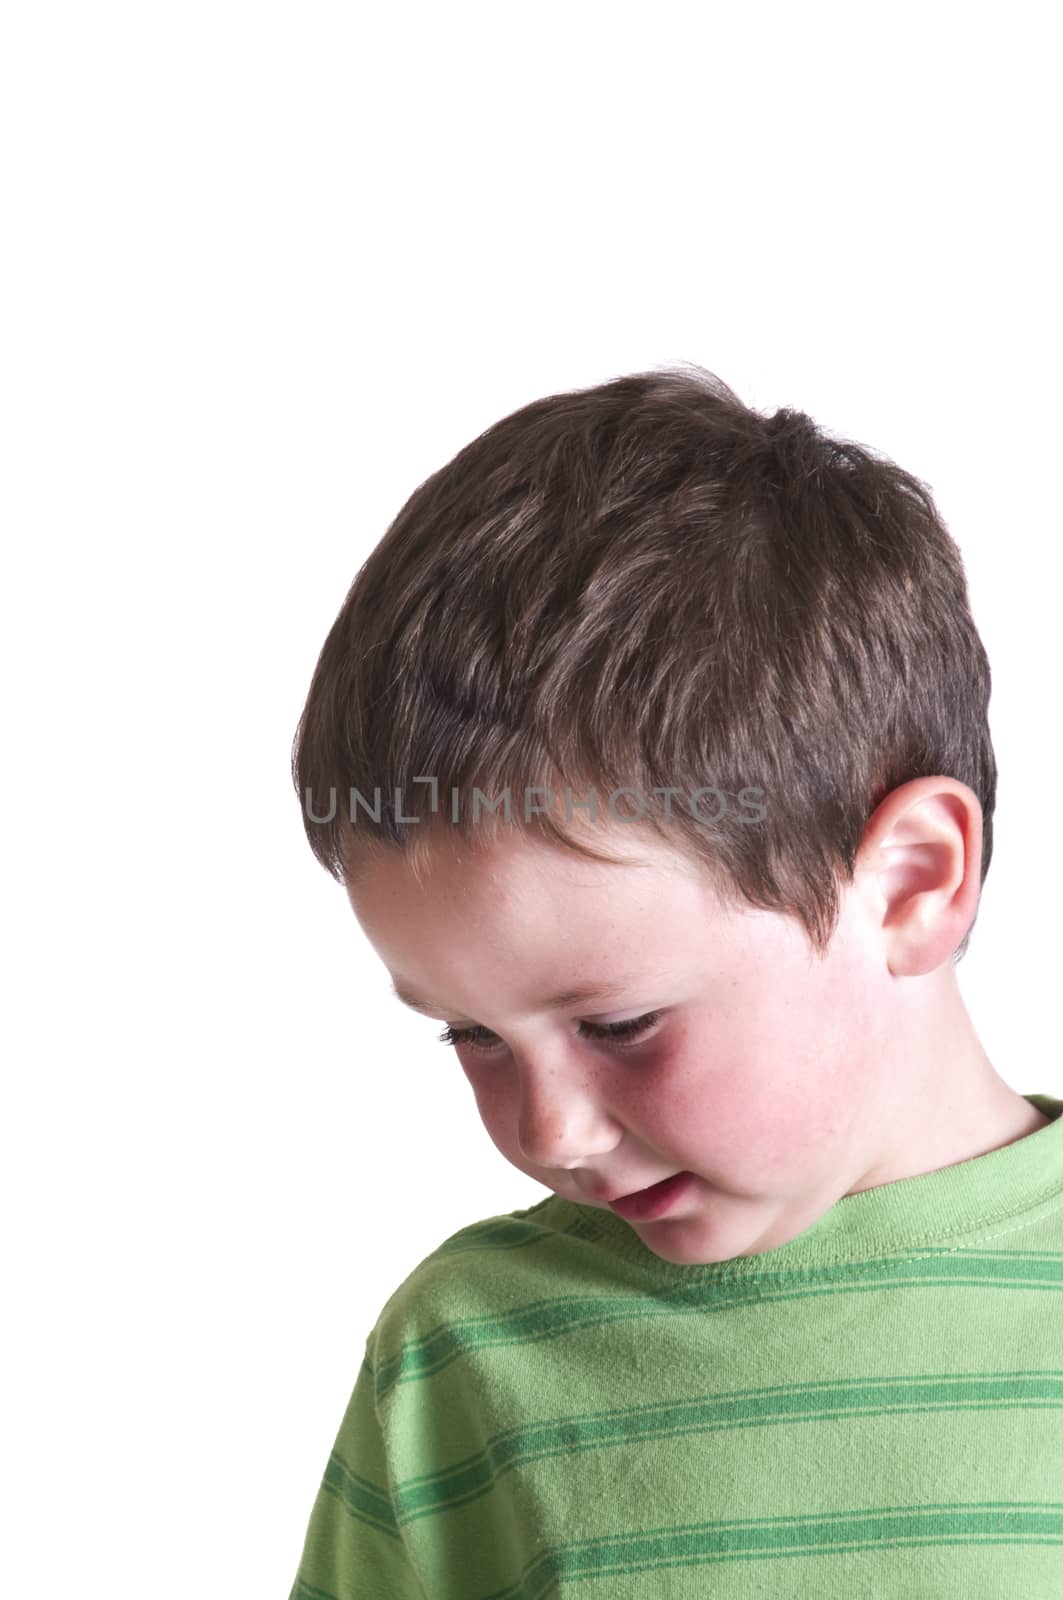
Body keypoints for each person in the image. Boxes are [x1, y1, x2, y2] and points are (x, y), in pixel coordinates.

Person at [285, 365, 1063, 1597]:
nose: (550, 1129)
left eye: (618, 1022)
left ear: (913, 882)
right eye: (470, 1036)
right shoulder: (464, 1359)